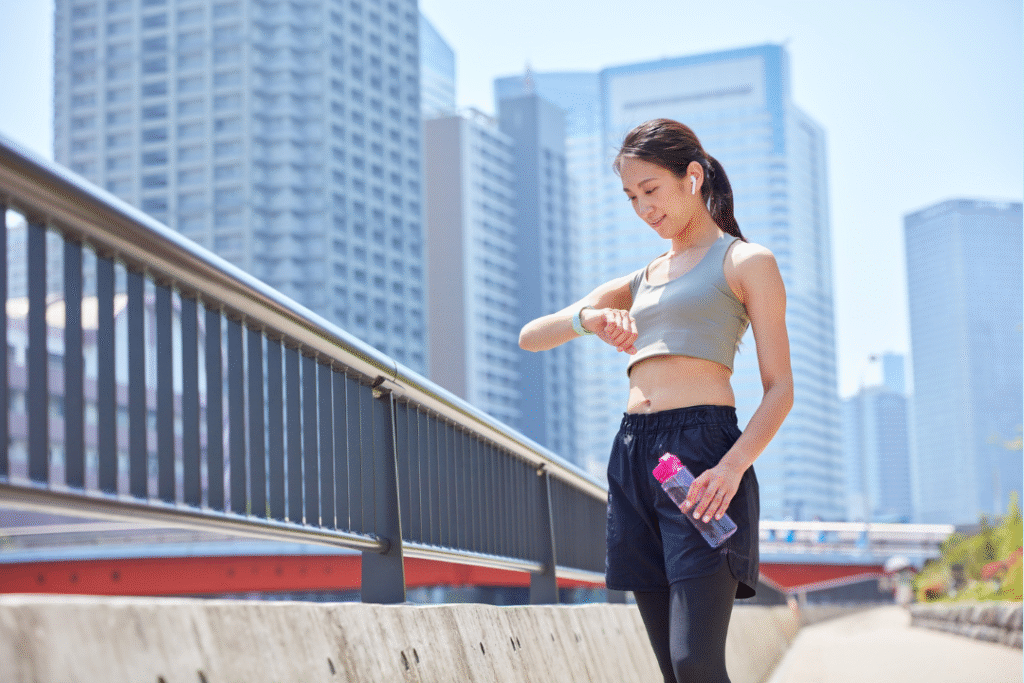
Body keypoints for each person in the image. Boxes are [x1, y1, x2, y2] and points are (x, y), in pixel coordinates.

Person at [519, 118, 793, 683]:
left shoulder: (745, 262)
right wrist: (588, 318)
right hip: (633, 455)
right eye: (630, 197)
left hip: (701, 455)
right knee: (671, 669)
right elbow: (531, 335)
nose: (644, 208)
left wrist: (733, 466)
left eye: (652, 191)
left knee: (695, 660)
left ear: (691, 177)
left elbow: (780, 388)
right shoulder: (642, 277)